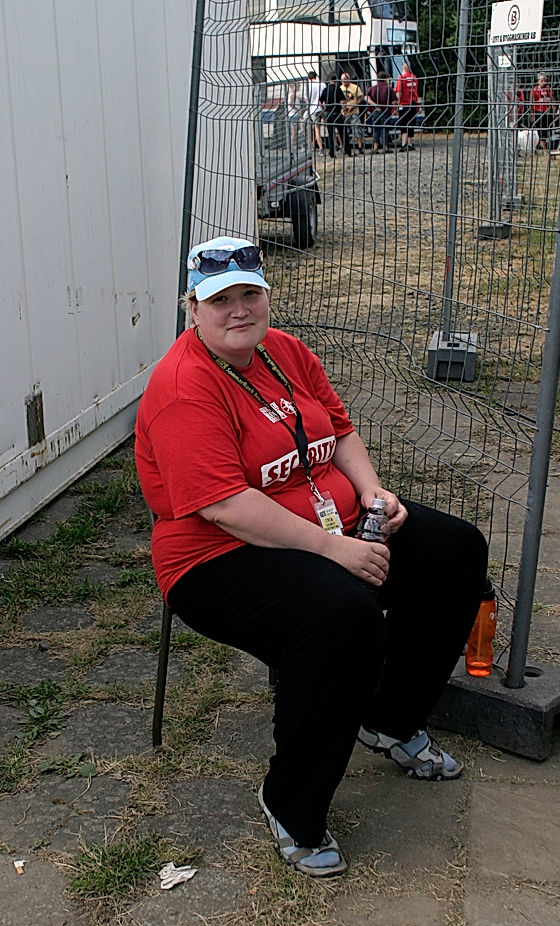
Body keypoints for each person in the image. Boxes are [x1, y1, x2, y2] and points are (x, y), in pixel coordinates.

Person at [135, 236, 488, 879]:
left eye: (250, 293)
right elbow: (225, 507)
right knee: (340, 617)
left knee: (455, 550)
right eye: (220, 300)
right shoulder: (184, 386)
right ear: (192, 310)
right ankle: (291, 806)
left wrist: (376, 494)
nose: (239, 310)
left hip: (333, 522)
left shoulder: (285, 351)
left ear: (266, 293)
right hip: (214, 557)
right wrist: (337, 550)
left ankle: (388, 719)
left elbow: (340, 428)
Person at [366, 71, 397, 154]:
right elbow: (394, 101)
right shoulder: (389, 89)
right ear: (385, 79)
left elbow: (366, 98)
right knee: (385, 129)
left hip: (375, 111)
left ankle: (375, 147)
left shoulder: (372, 88)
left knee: (376, 129)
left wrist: (375, 104)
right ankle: (385, 147)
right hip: (386, 111)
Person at [319, 75, 349, 158]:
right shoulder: (338, 89)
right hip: (337, 113)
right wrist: (345, 112)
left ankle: (332, 152)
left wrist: (324, 110)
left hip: (328, 113)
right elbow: (342, 102)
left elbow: (320, 102)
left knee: (331, 134)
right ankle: (347, 151)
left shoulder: (325, 90)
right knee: (342, 133)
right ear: (336, 81)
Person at [394, 61, 419, 151]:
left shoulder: (401, 78)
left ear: (403, 68)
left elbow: (398, 93)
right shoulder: (414, 78)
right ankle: (410, 143)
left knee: (404, 124)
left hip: (404, 104)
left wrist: (397, 102)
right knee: (411, 123)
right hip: (413, 104)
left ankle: (404, 144)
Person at [340, 72, 365, 155]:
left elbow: (360, 98)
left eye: (346, 81)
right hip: (344, 113)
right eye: (343, 81)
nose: (344, 83)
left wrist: (354, 105)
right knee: (343, 131)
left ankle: (360, 147)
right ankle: (344, 147)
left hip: (354, 112)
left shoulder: (355, 87)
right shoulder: (339, 88)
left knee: (357, 129)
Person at [530, 72, 555, 153]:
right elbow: (531, 103)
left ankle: (535, 147)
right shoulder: (535, 90)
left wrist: (554, 111)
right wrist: (532, 115)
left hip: (547, 112)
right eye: (542, 80)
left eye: (545, 80)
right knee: (541, 131)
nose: (543, 82)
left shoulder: (549, 90)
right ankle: (545, 151)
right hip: (539, 112)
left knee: (547, 131)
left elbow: (553, 101)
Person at [305, 70, 323, 151]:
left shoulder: (308, 86)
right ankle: (337, 144)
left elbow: (307, 99)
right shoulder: (322, 84)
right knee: (330, 127)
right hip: (323, 108)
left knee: (316, 129)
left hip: (313, 109)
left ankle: (319, 147)